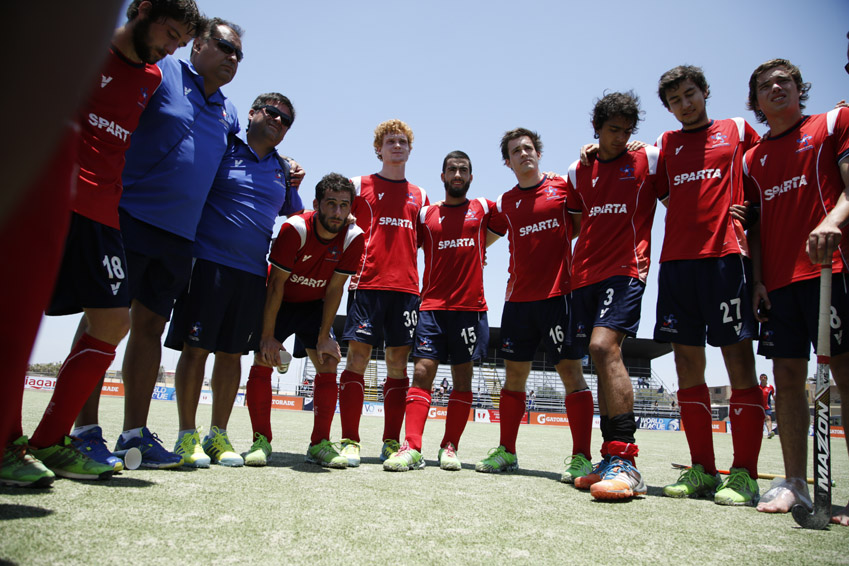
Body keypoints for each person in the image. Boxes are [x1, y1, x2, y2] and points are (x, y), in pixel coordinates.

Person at [0, 0, 200, 486]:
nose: (172, 48)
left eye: (180, 41)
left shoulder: (152, 78)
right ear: (143, 10)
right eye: (169, 32)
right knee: (15, 316)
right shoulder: (85, 53)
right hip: (54, 198)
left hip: (105, 215)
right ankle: (8, 444)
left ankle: (49, 441)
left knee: (113, 320)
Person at [94, 18, 243, 468]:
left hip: (181, 237)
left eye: (239, 54)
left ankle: (133, 436)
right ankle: (81, 432)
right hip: (128, 218)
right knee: (104, 322)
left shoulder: (229, 112)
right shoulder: (161, 74)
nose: (232, 58)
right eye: (224, 47)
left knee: (149, 329)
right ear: (196, 45)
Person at [162, 93, 303, 468]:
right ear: (253, 113)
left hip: (253, 273)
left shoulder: (282, 170)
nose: (277, 121)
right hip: (207, 264)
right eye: (272, 113)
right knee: (196, 349)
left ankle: (217, 436)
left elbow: (295, 212)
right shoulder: (223, 148)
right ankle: (185, 436)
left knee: (232, 354)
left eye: (285, 121)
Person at [741, 58, 849, 526]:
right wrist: (759, 279)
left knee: (845, 374)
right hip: (780, 285)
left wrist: (831, 221)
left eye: (784, 80)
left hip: (830, 270)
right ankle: (795, 484)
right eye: (766, 85)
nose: (776, 87)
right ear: (757, 102)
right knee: (786, 376)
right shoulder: (752, 159)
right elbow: (758, 228)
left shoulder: (832, 124)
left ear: (799, 88)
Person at [653, 65, 765, 506]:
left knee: (737, 358)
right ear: (669, 108)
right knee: (685, 364)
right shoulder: (665, 145)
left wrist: (753, 210)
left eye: (690, 93)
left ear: (705, 92)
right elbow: (666, 196)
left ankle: (745, 473)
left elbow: (765, 175)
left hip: (725, 258)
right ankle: (702, 468)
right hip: (677, 263)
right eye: (676, 99)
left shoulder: (737, 129)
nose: (685, 103)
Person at [476, 128, 592, 474]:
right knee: (514, 376)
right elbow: (482, 239)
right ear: (507, 161)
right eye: (515, 151)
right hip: (518, 301)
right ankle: (507, 451)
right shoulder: (506, 202)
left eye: (528, 148)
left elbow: (580, 226)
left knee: (571, 372)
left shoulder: (562, 188)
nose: (523, 154)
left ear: (538, 154)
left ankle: (581, 456)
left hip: (560, 296)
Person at [564, 92, 661, 499]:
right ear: (597, 130)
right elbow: (574, 223)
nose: (621, 137)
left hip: (626, 268)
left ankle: (627, 461)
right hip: (583, 273)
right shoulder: (577, 169)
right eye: (612, 130)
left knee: (605, 348)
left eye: (626, 130)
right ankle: (609, 457)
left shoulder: (649, 158)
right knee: (594, 357)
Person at [383, 151, 496, 472]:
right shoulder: (425, 215)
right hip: (431, 306)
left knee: (463, 377)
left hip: (470, 309)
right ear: (443, 176)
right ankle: (413, 446)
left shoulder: (485, 208)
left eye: (463, 170)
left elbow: (512, 221)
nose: (457, 175)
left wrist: (478, 251)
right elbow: (404, 242)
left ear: (471, 177)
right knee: (421, 371)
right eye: (452, 170)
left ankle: (450, 446)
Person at [248, 173, 364, 468]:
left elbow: (336, 288)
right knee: (264, 359)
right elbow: (275, 285)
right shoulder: (295, 228)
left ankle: (319, 444)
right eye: (331, 204)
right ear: (317, 204)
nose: (337, 213)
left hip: (315, 305)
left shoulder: (353, 237)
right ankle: (261, 440)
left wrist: (325, 335)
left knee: (328, 361)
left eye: (344, 205)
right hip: (281, 301)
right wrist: (269, 335)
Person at [337, 120, 429, 466]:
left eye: (403, 141)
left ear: (409, 149)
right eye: (390, 141)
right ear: (379, 149)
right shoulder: (358, 185)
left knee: (396, 365)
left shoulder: (420, 195)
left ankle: (391, 441)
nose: (396, 146)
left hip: (406, 290)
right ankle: (349, 441)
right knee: (357, 360)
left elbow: (426, 241)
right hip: (366, 285)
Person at [759, 374, 776, 438]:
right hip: (759, 406)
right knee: (759, 420)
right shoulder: (758, 387)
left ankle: (769, 432)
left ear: (766, 379)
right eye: (761, 378)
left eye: (764, 377)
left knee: (768, 418)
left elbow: (773, 396)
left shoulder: (770, 387)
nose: (763, 379)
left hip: (767, 406)